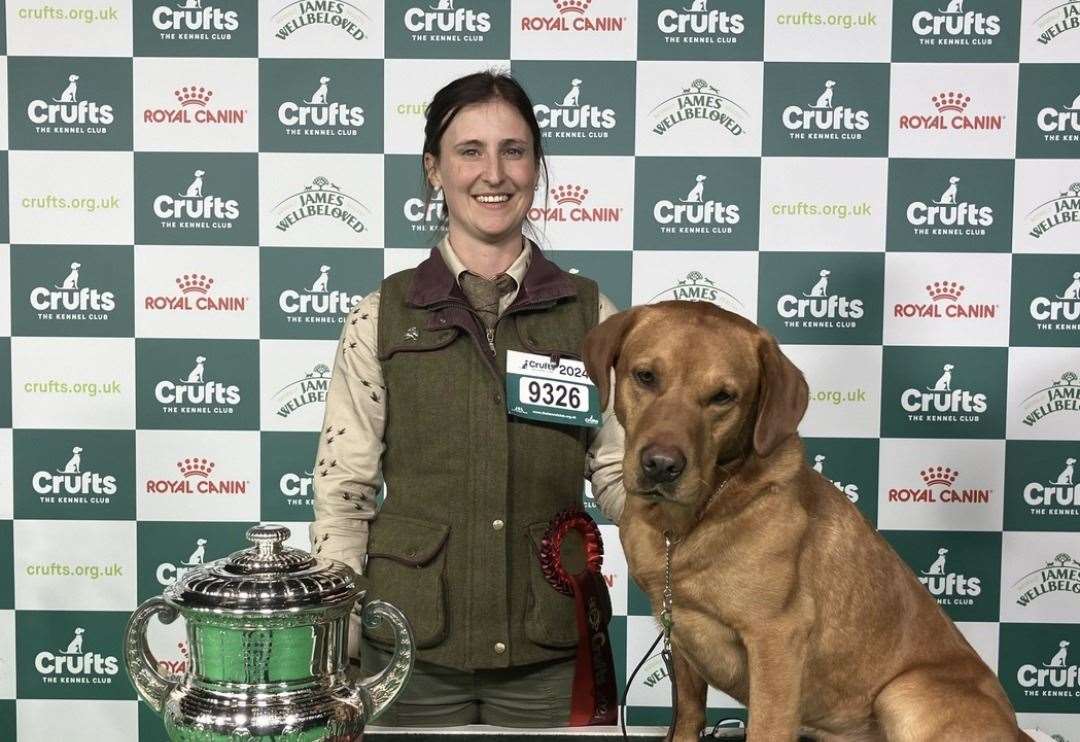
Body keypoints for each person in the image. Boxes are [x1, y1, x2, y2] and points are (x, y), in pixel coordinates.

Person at [309, 70, 626, 728]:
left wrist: (690, 546)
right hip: (405, 655)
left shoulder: (592, 313)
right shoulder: (381, 315)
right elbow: (345, 490)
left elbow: (620, 473)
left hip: (552, 658)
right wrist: (336, 642)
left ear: (536, 167)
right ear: (434, 169)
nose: (494, 174)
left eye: (514, 150)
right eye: (470, 151)